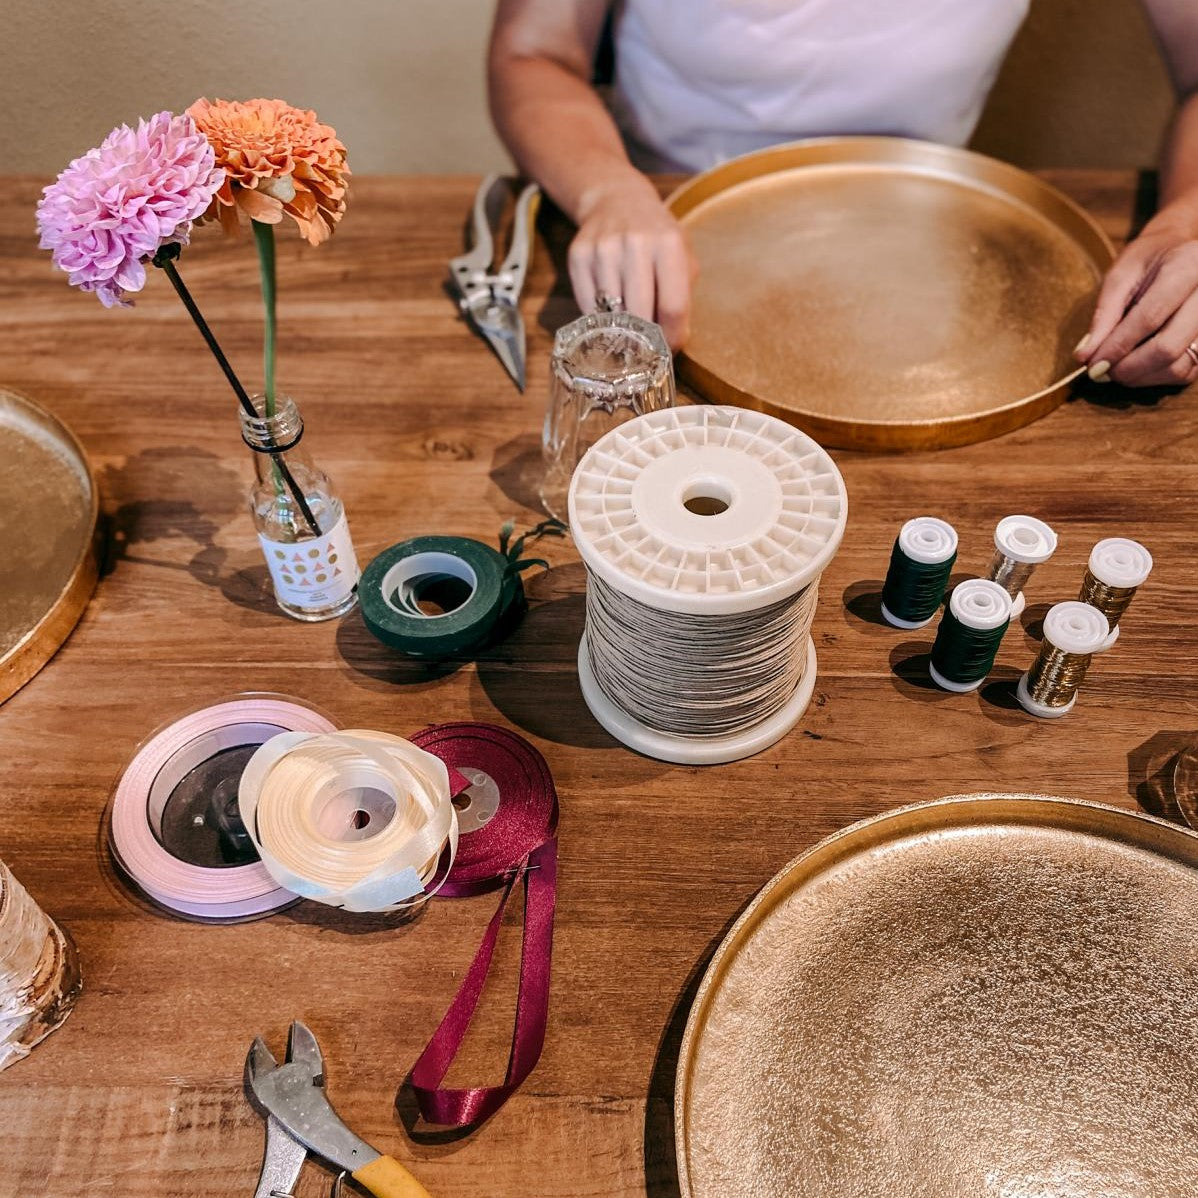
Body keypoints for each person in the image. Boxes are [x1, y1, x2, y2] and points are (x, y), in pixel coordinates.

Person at [488, 0, 1198, 388]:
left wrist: (1187, 219)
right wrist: (607, 190)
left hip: (929, 262)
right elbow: (534, 51)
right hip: (660, 229)